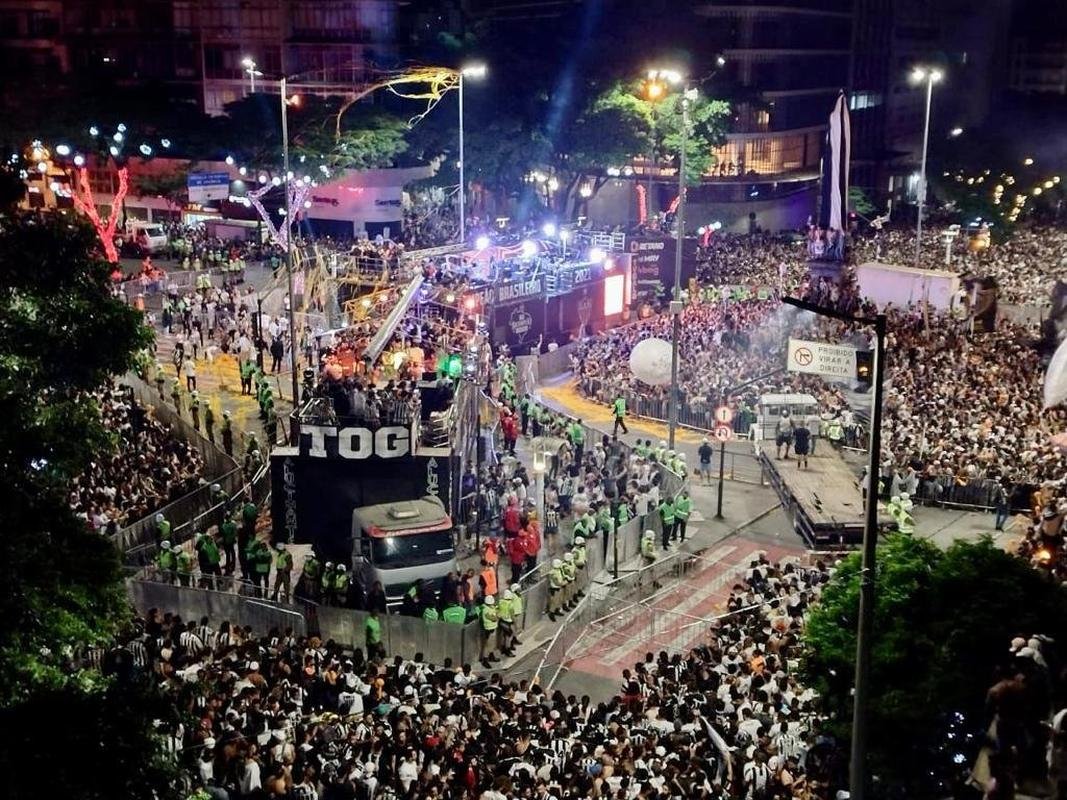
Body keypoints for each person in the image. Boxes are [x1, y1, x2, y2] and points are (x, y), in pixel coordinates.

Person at [480, 594, 499, 667]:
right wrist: (497, 616)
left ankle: (491, 656)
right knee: (487, 646)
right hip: (488, 629)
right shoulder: (485, 610)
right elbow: (493, 618)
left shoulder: (491, 608)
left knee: (491, 645)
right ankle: (485, 660)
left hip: (492, 628)